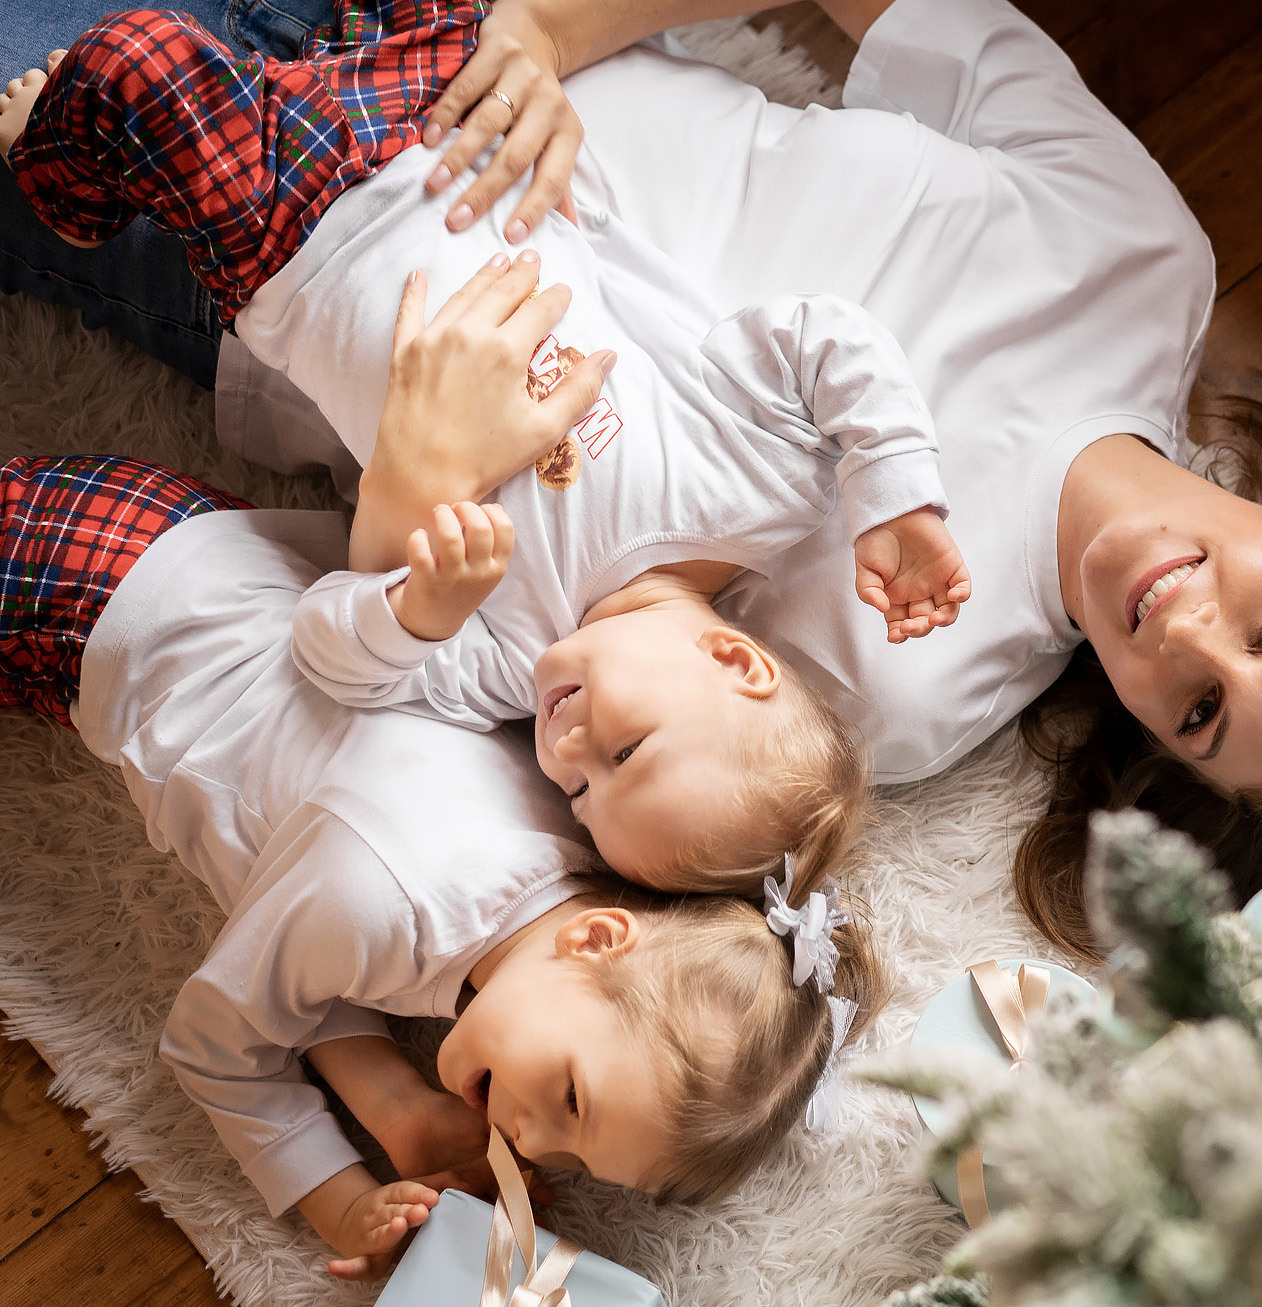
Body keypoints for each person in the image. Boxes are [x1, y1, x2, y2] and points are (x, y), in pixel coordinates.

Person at [4, 0, 1262, 957]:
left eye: (1196, 715)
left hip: (284, 267)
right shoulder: (1138, 256)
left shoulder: (909, 689)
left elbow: (537, 639)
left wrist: (413, 475)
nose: (1187, 640)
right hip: (445, 32)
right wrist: (544, 34)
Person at [1, 0, 973, 892]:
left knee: (139, 66)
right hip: (453, 124)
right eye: (624, 753)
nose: (568, 754)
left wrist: (412, 611)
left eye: (580, 795)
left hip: (295, 242)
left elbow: (330, 656)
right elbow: (821, 339)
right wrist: (893, 491)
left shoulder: (510, 655)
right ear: (735, 660)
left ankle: (62, 169)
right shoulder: (765, 490)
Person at [0, 450, 883, 1279]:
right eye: (570, 1101)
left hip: (208, 561)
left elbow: (307, 963)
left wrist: (400, 1109)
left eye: (572, 1158)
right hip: (93, 600)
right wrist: (338, 1200)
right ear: (600, 939)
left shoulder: (576, 848)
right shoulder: (385, 901)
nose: (532, 1141)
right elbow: (214, 1043)